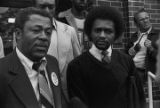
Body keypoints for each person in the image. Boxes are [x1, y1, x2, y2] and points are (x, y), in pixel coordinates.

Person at [67, 6, 145, 108]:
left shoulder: (127, 61)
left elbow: (139, 97)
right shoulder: (76, 67)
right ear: (90, 32)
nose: (102, 35)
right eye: (98, 30)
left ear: (115, 34)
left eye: (108, 31)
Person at [0, 7, 66, 108]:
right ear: (18, 34)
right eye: (36, 30)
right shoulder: (2, 71)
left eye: (48, 32)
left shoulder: (52, 63)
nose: (44, 37)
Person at [34, 0, 81, 101]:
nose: (47, 11)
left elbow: (79, 64)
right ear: (35, 7)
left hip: (65, 95)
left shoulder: (69, 31)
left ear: (55, 8)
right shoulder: (25, 32)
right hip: (37, 93)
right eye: (42, 6)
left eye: (50, 7)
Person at [125, 8, 160, 83]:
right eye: (142, 19)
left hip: (144, 73)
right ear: (137, 23)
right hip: (131, 69)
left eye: (146, 18)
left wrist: (151, 48)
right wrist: (130, 51)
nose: (145, 21)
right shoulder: (134, 36)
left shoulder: (158, 35)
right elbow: (126, 54)